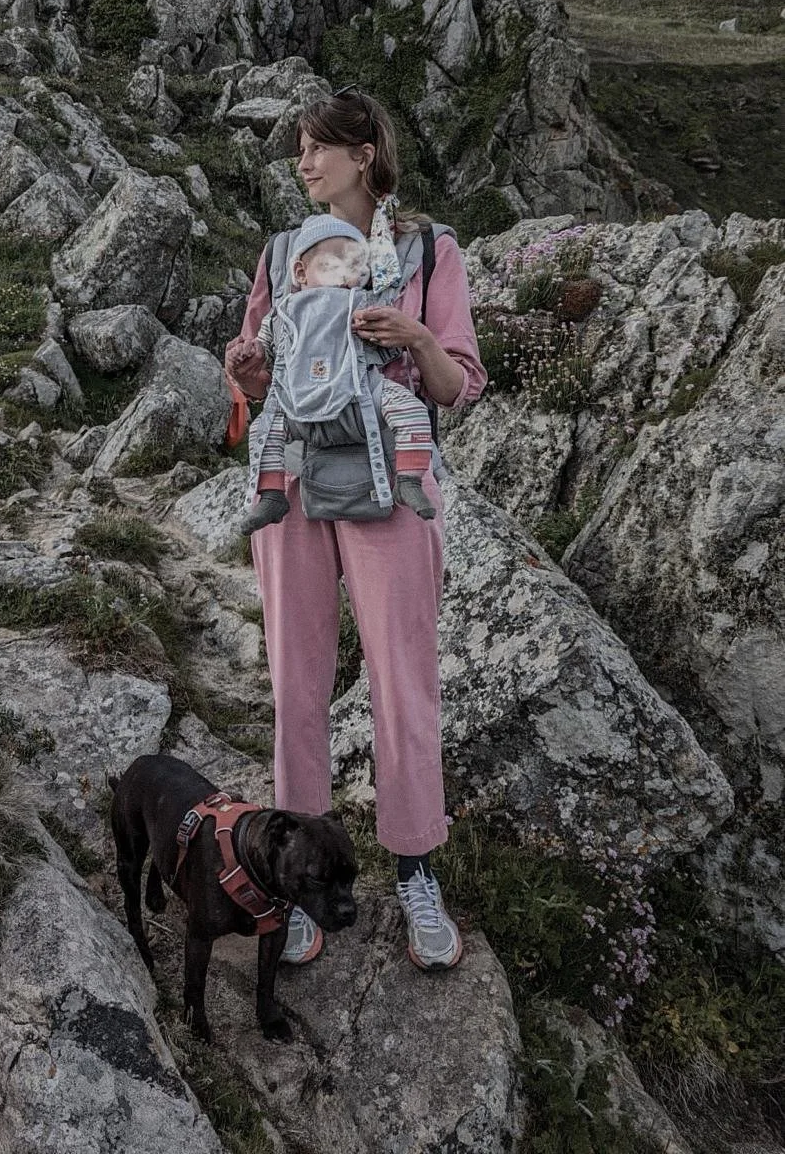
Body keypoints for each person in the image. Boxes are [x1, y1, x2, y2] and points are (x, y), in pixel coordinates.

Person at [224, 89, 486, 969]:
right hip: (296, 479)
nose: (303, 163)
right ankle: (296, 874)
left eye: (317, 148)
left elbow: (456, 387)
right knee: (298, 679)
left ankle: (414, 868)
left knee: (401, 679)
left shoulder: (429, 249)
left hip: (389, 481)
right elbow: (265, 383)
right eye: (299, 149)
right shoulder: (278, 251)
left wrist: (413, 333)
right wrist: (247, 370)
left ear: (366, 152)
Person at [240, 214, 437, 534]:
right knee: (263, 430)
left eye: (356, 268)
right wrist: (249, 355)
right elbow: (265, 348)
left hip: (361, 391)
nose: (347, 277)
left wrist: (383, 331)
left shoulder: (362, 302)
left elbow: (390, 344)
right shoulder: (283, 311)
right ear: (301, 272)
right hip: (297, 401)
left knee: (412, 410)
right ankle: (272, 494)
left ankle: (408, 479)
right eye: (334, 266)